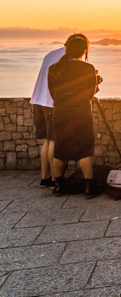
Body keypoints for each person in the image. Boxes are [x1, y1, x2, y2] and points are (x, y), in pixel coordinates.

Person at [48, 34, 100, 198]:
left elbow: (52, 93)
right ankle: (89, 187)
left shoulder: (54, 68)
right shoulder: (88, 68)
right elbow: (90, 94)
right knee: (84, 149)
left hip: (60, 113)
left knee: (60, 149)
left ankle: (58, 185)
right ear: (83, 51)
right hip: (81, 113)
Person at [29, 35, 85, 186]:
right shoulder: (69, 58)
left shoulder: (50, 54)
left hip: (39, 101)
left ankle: (45, 177)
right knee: (55, 140)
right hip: (52, 102)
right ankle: (56, 179)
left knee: (47, 141)